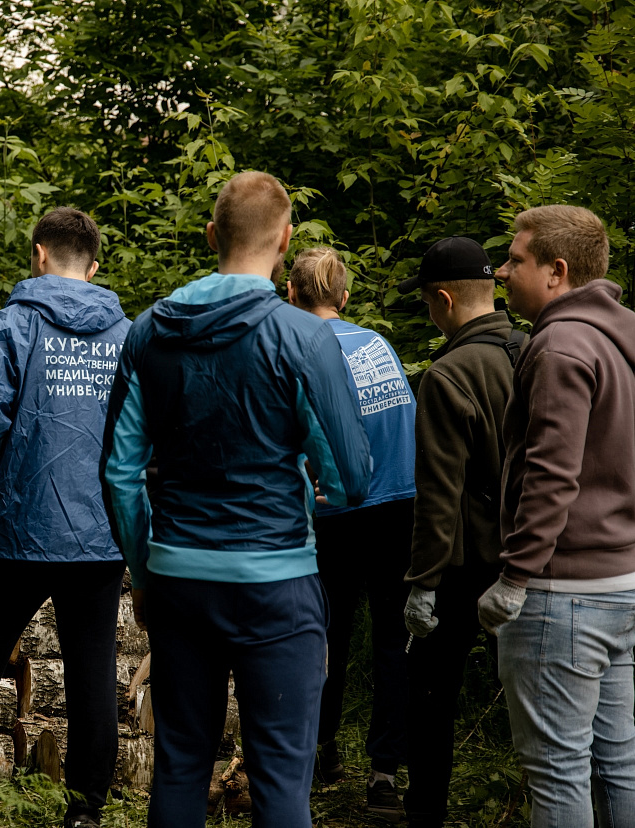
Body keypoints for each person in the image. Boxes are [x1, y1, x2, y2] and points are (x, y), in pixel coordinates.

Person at [102, 171, 372, 828]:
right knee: (281, 782)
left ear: (210, 235)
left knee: (180, 767)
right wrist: (314, 489)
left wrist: (143, 571)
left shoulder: (149, 333)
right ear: (285, 240)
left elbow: (119, 473)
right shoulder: (306, 338)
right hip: (277, 583)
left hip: (179, 579)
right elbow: (353, 476)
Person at [0, 207, 130, 828]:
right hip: (99, 536)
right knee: (93, 677)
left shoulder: (10, 326)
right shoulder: (131, 338)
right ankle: (86, 814)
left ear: (39, 254)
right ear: (92, 267)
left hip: (15, 532)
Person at [480, 205, 635, 827]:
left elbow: (551, 473)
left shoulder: (560, 346)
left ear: (556, 271)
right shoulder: (621, 338)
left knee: (558, 772)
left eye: (515, 259)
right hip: (621, 585)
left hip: (561, 594)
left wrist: (514, 577)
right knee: (619, 764)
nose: (502, 271)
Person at [287, 247, 415, 822]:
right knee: (393, 640)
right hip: (398, 507)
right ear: (344, 296)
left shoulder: (295, 348)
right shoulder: (377, 345)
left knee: (323, 636)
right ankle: (384, 775)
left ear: (291, 294)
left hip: (332, 512)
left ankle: (319, 748)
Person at [398, 236, 521, 828]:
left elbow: (439, 492)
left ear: (443, 300)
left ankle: (425, 812)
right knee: (539, 699)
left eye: (426, 301)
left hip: (466, 565)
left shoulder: (448, 374)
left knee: (431, 695)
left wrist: (423, 582)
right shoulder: (535, 349)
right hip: (537, 558)